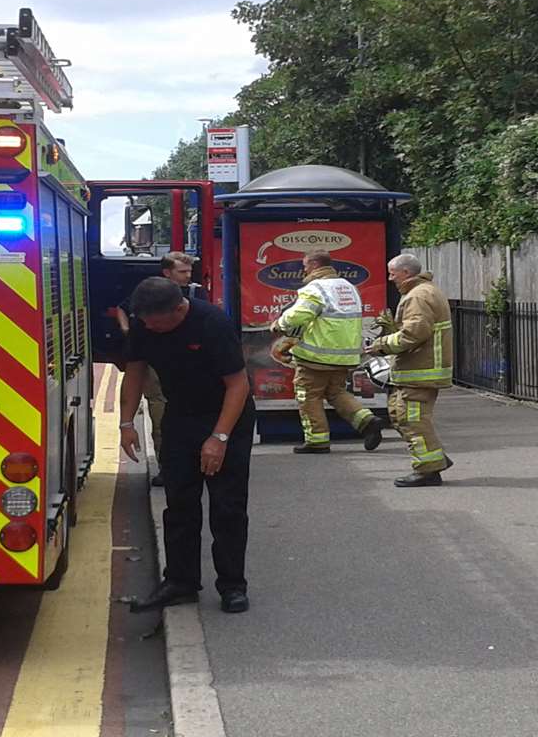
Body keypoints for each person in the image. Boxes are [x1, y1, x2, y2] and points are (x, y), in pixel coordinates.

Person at [120, 276, 254, 613]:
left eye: (155, 321)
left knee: (227, 506)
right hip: (180, 415)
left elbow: (238, 385)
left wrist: (219, 438)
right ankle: (180, 581)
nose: (149, 326)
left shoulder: (212, 324)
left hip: (226, 416)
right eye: (144, 320)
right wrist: (125, 423)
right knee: (179, 502)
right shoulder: (144, 324)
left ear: (178, 309)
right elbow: (135, 372)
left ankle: (232, 585)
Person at [273, 250, 386, 453]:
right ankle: (367, 421)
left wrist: (279, 323)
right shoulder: (348, 287)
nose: (304, 270)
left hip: (316, 356)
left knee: (308, 395)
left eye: (305, 265)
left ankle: (317, 441)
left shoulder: (315, 288)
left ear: (315, 265)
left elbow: (299, 316)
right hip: (345, 355)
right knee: (336, 392)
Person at [367, 253, 455, 488]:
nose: (389, 278)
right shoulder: (422, 292)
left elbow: (414, 333)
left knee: (413, 420)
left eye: (392, 273)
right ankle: (433, 459)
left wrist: (381, 345)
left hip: (420, 371)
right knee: (400, 416)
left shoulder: (418, 295)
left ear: (406, 272)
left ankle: (428, 470)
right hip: (416, 371)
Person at [121, 251, 207, 487]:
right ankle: (166, 466)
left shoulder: (197, 295)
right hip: (156, 368)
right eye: (182, 272)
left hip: (188, 370)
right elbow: (122, 309)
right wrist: (128, 331)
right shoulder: (150, 295)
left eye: (189, 271)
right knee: (159, 414)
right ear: (167, 273)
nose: (187, 276)